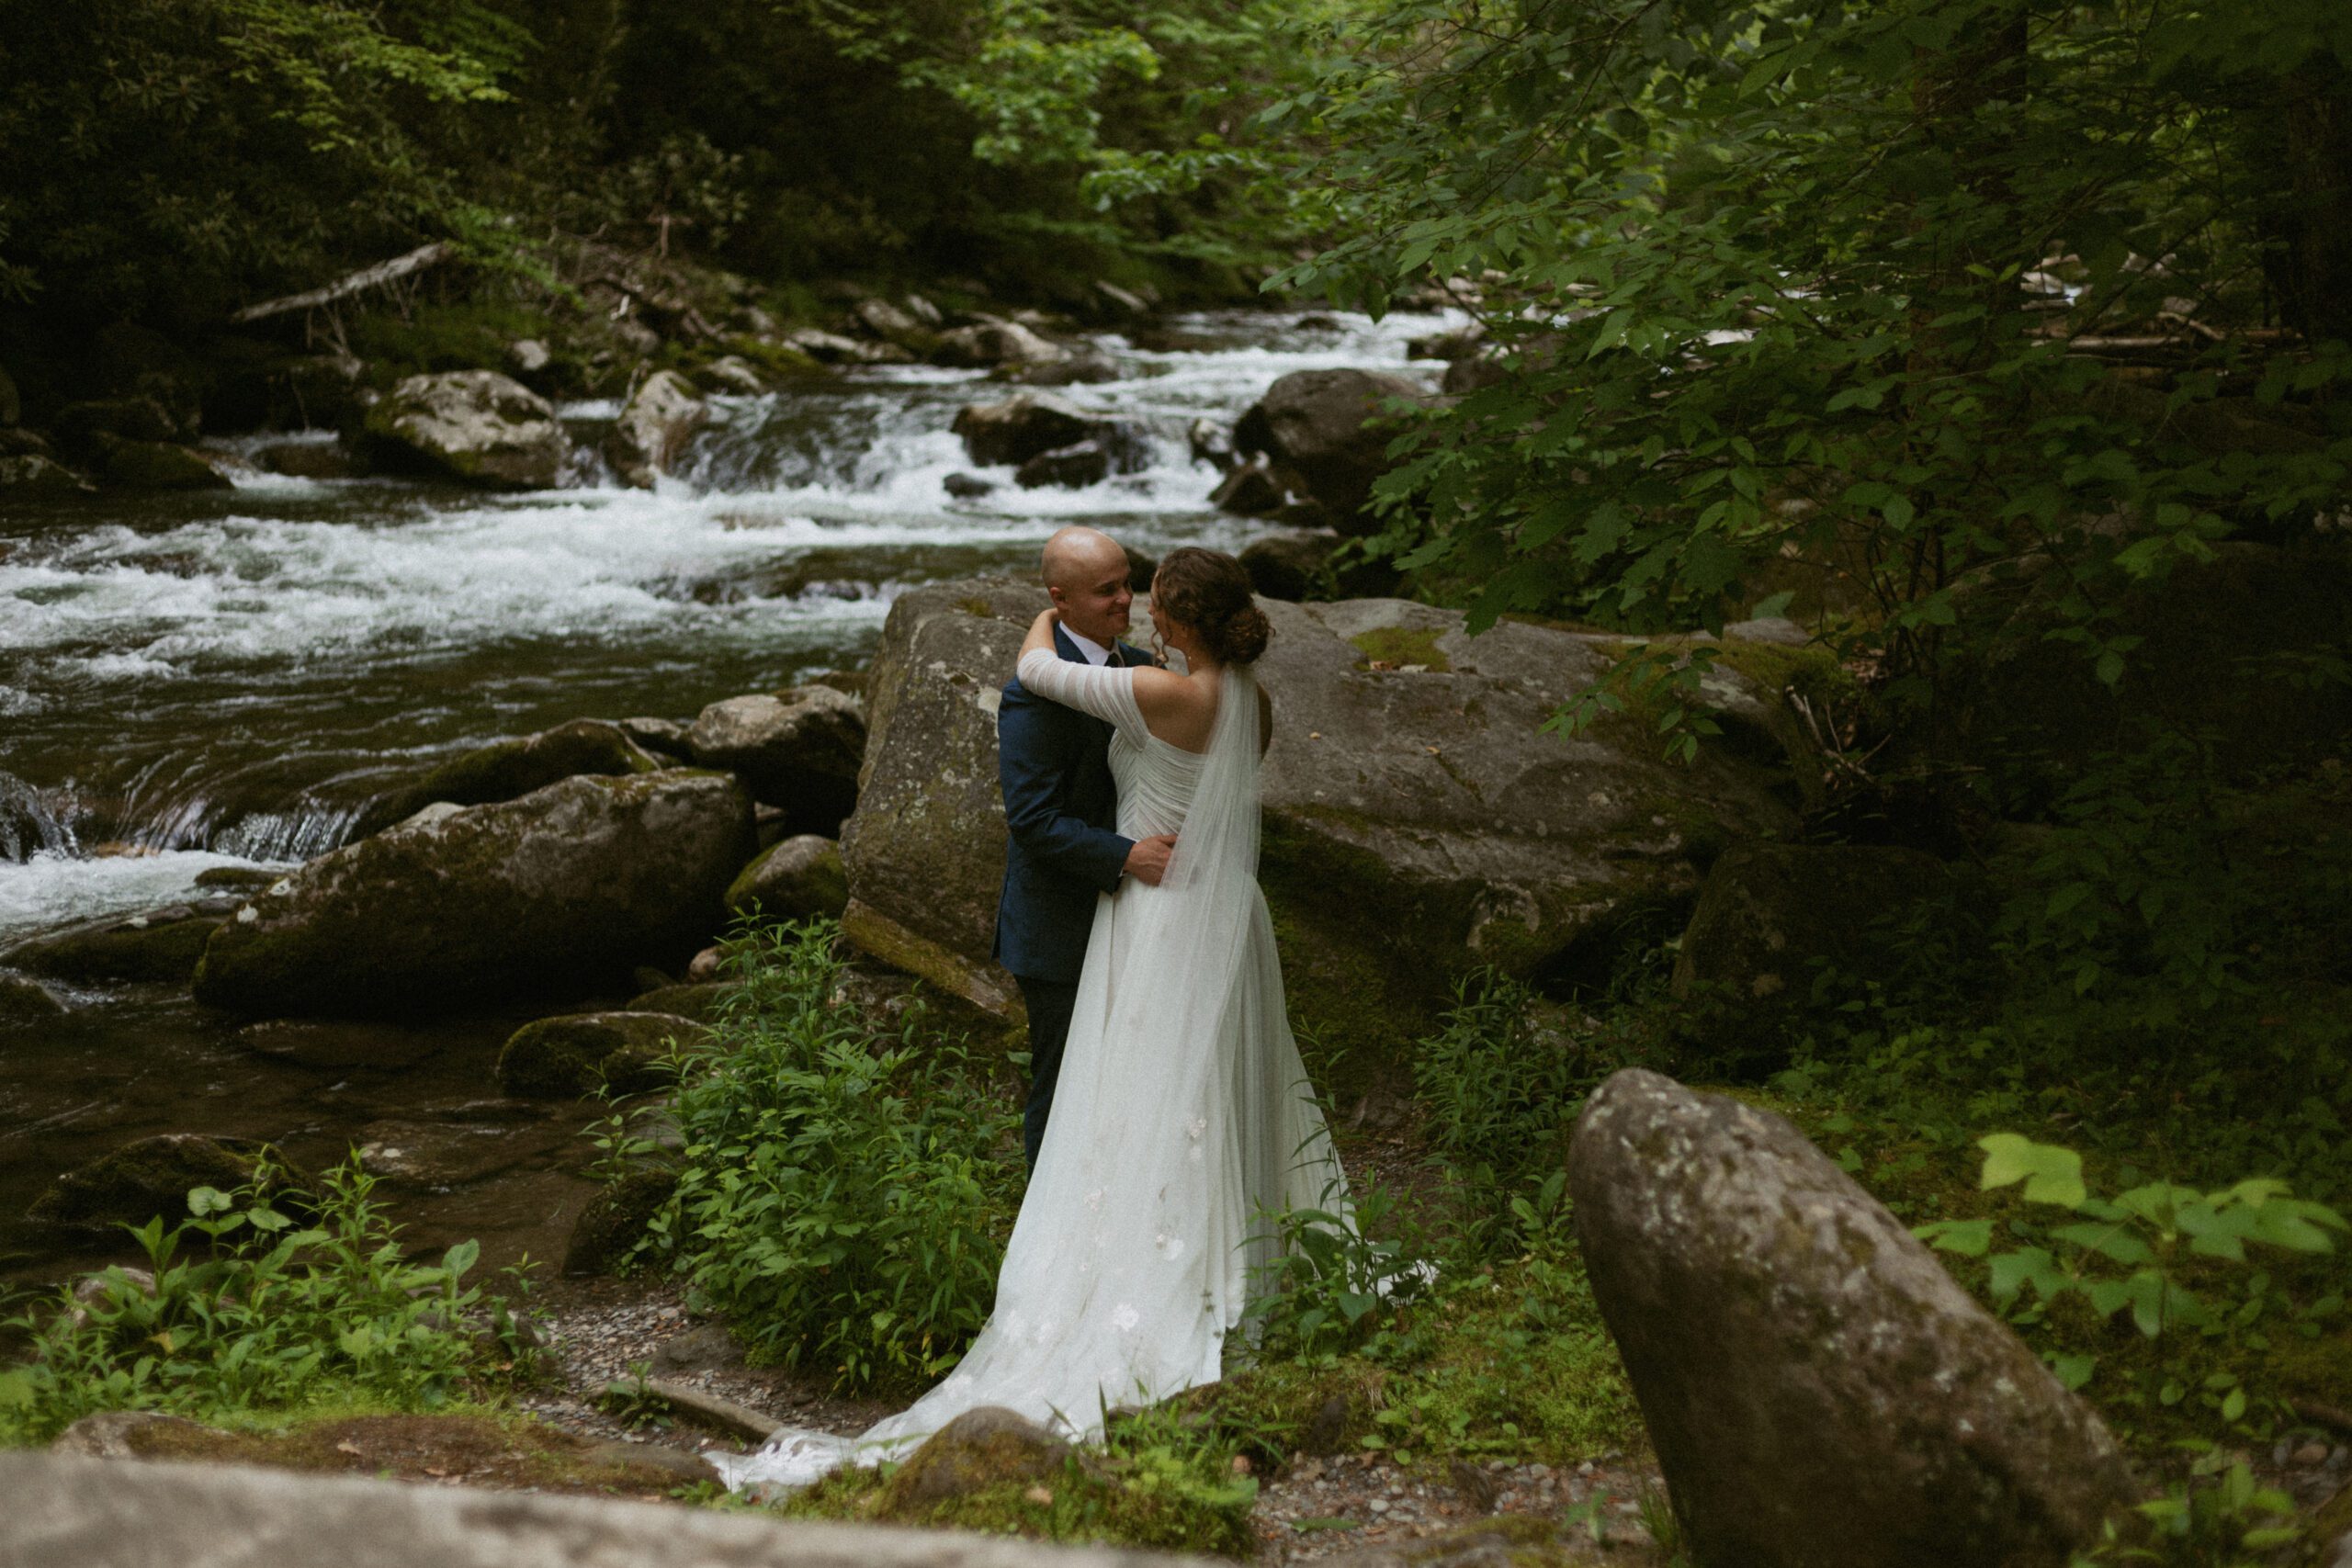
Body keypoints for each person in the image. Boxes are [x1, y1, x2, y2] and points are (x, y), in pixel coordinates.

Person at [715, 545, 1349, 1491]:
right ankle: (1246, 1249)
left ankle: (1147, 1258)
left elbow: (1034, 672)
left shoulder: (1162, 692)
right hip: (1224, 908)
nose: (1136, 610)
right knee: (1216, 1079)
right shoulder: (1246, 700)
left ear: (1179, 621)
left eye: (1149, 600)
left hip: (1165, 913)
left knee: (1149, 1085)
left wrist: (1046, 618)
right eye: (1116, 593)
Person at [991, 526, 1173, 1167]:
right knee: (1062, 1080)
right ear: (1059, 600)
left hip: (1136, 915)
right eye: (1108, 591)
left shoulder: (1143, 672)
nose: (1127, 600)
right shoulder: (1030, 696)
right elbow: (1034, 820)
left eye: (1128, 583)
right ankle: (1042, 1225)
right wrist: (1127, 856)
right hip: (1059, 924)